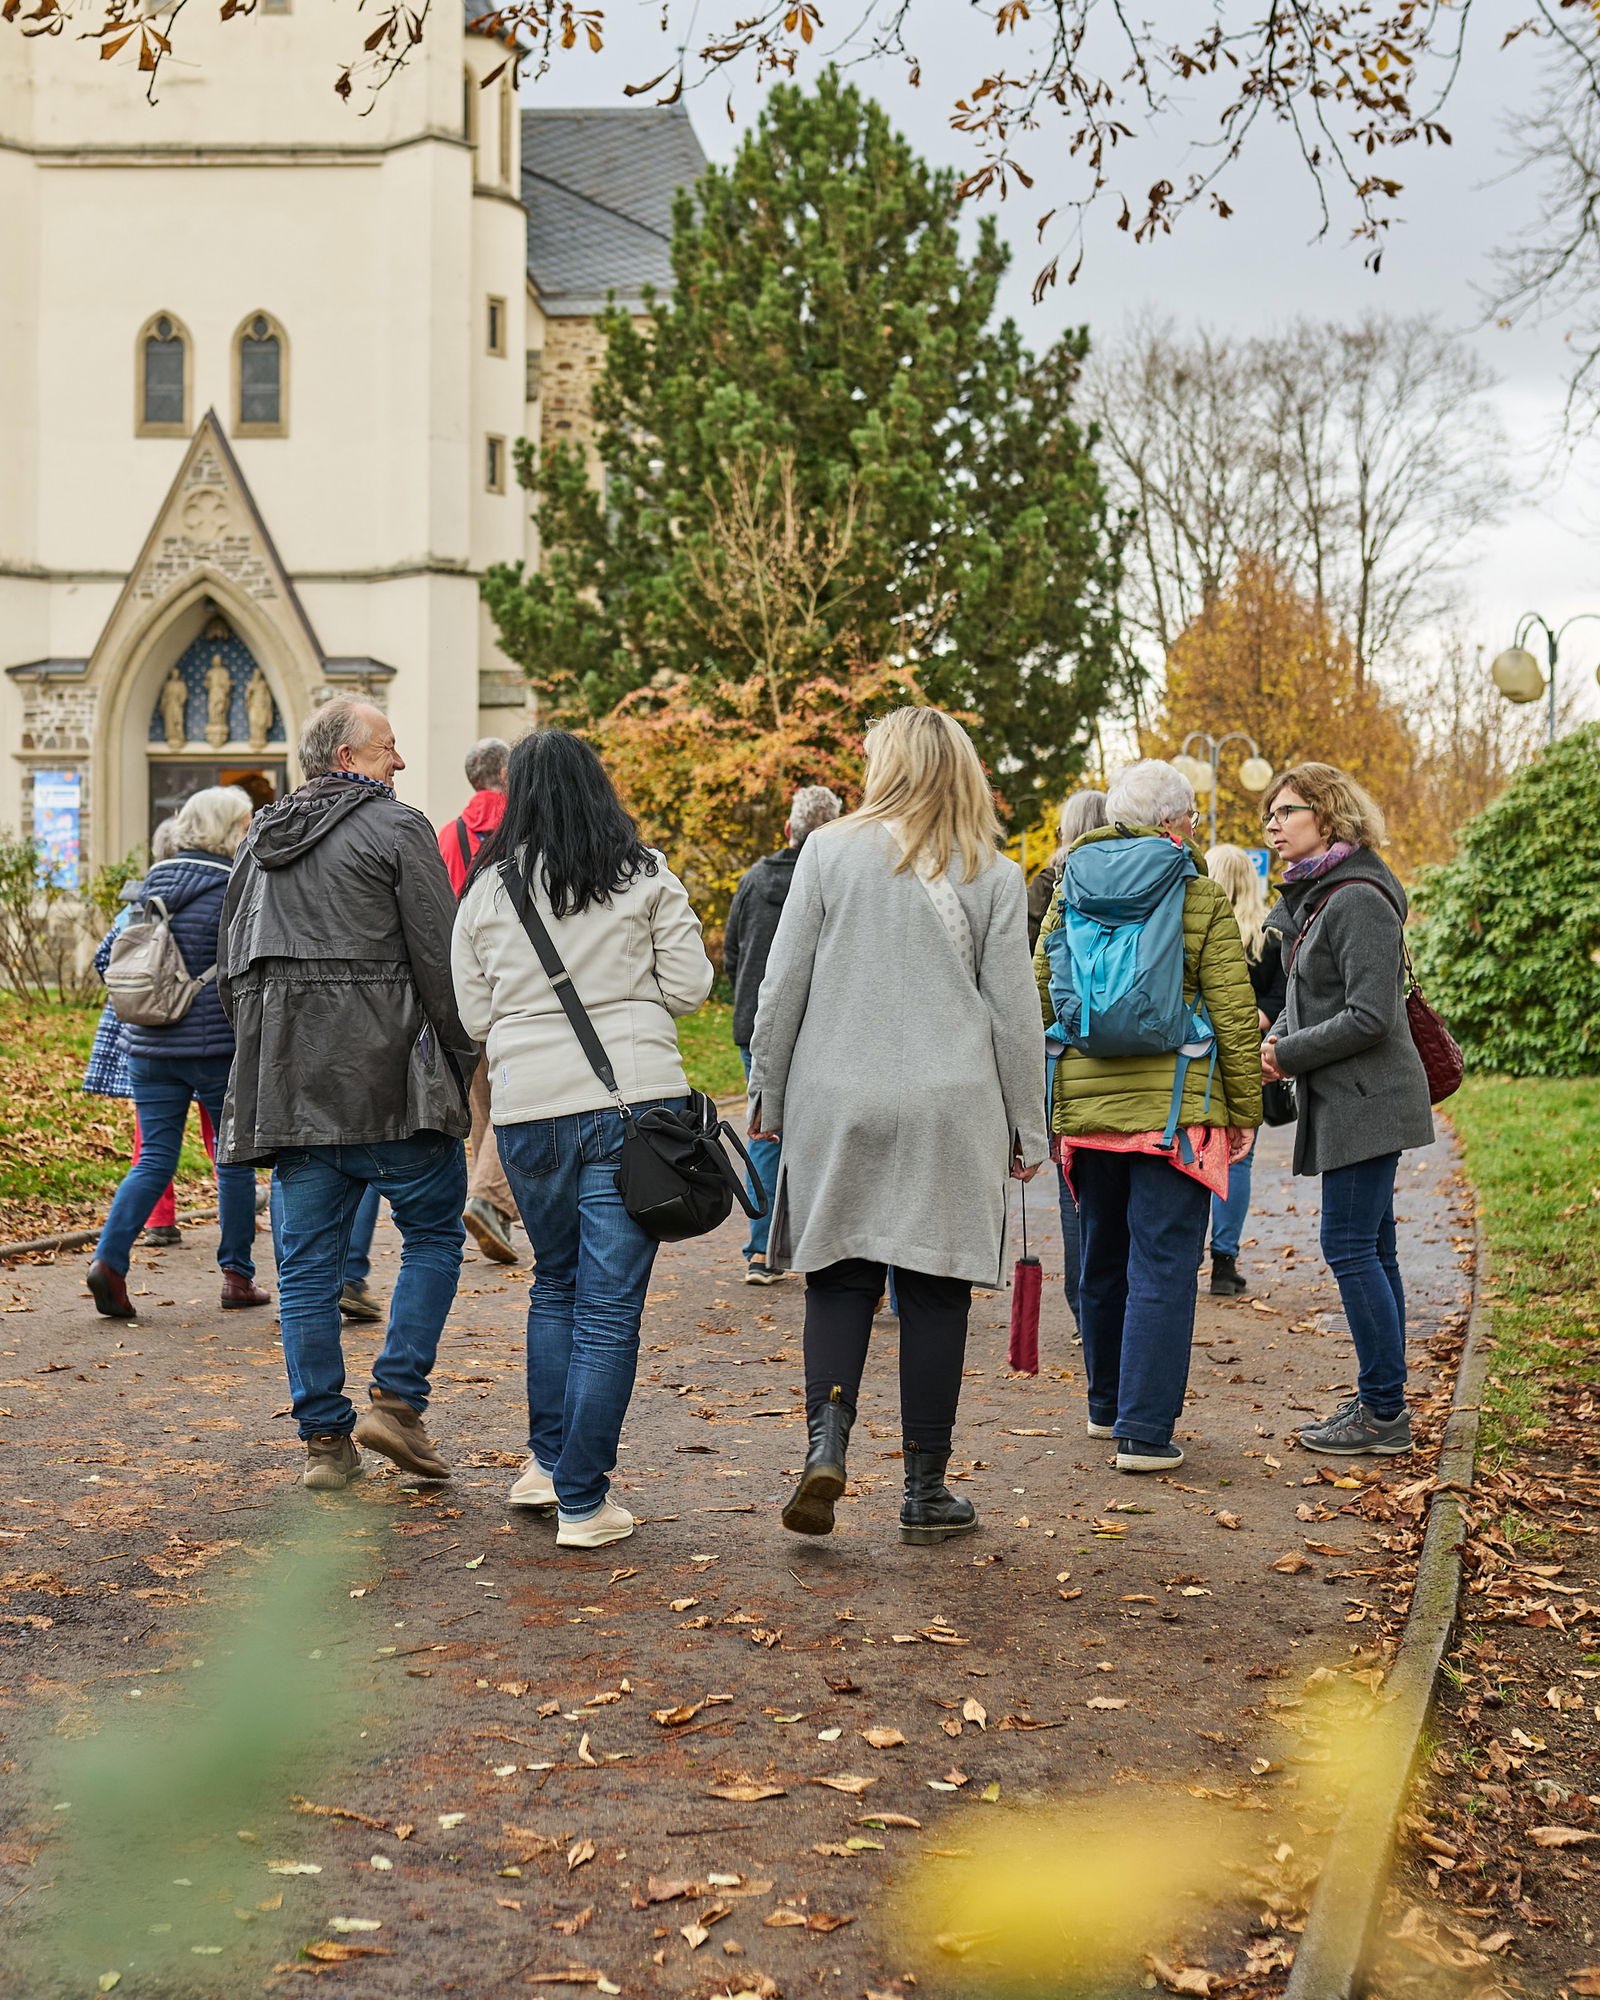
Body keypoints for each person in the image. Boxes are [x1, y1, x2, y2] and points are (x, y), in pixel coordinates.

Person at [748, 706, 1048, 1546]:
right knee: (934, 1292)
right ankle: (925, 1488)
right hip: (949, 1106)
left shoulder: (827, 851)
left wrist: (765, 1090)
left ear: (887, 768)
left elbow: (783, 987)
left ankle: (826, 1443)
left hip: (837, 1099)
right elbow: (1015, 1018)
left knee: (840, 1279)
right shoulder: (992, 872)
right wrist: (1030, 1126)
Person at [452, 729, 714, 1549]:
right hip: (628, 1108)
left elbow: (473, 1018)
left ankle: (546, 1464)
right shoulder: (643, 873)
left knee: (554, 1285)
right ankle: (583, 1500)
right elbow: (691, 986)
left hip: (528, 1114)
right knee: (607, 1309)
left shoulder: (488, 893)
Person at [219, 698, 476, 1493]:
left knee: (303, 1270)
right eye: (388, 748)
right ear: (345, 757)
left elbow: (234, 972)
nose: (399, 763)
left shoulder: (258, 841)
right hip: (393, 1086)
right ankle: (397, 1402)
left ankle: (325, 1445)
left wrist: (271, 1058)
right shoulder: (400, 830)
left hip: (295, 1092)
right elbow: (443, 963)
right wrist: (460, 1064)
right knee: (434, 1234)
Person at [1035, 759, 1262, 1474]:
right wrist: (1246, 1109)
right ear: (1173, 822)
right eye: (1190, 818)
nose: (1193, 829)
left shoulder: (1069, 886)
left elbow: (1040, 993)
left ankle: (1105, 1408)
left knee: (1101, 1258)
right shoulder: (1196, 892)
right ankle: (1144, 1431)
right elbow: (1231, 1009)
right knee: (1163, 1263)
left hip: (1088, 1109)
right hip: (1176, 1109)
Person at [1260, 763, 1433, 1457]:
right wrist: (1279, 1033)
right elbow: (1320, 997)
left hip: (1368, 1099)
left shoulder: (1356, 898)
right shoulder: (1323, 896)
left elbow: (1369, 1015)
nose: (1273, 826)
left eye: (1285, 813)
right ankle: (1379, 1396)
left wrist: (1288, 1054)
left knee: (1350, 1247)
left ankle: (1385, 1413)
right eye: (1269, 816)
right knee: (1372, 1247)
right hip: (1351, 1097)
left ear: (1327, 817)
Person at [86, 788, 267, 1320]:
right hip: (215, 1049)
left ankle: (109, 1261)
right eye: (244, 825)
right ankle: (237, 1276)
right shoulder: (234, 888)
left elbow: (106, 959)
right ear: (229, 831)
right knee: (231, 1160)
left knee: (153, 1158)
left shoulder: (146, 888)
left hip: (148, 1045)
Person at [722, 784, 843, 1285]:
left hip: (758, 1021)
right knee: (828, 1138)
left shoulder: (753, 880)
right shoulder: (838, 878)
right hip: (821, 1026)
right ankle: (827, 1248)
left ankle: (761, 1251)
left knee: (764, 1133)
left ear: (789, 829)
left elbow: (731, 951)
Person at [83, 818, 220, 1252]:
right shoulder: (221, 891)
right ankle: (236, 1228)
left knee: (153, 1138)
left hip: (144, 1026)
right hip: (208, 1032)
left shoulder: (141, 899)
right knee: (218, 1129)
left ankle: (158, 1221)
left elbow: (104, 957)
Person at [438, 736, 520, 1266]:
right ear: (506, 775)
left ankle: (490, 1208)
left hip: (462, 984)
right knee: (518, 1096)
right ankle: (489, 1201)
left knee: (482, 1100)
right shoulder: (526, 827)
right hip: (516, 978)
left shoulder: (449, 834)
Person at [1202, 844, 1288, 1298]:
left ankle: (1184, 1251)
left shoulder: (1195, 930)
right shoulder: (1268, 937)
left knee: (1193, 1149)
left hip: (1198, 1056)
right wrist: (1248, 1018)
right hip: (1248, 1059)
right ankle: (1224, 1260)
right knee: (1240, 1156)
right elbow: (1278, 1001)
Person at [1038, 789, 1109, 1329]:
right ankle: (1118, 1311)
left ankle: (1087, 1313)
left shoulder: (1053, 890)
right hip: (1142, 1064)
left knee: (1074, 1192)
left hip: (1067, 1055)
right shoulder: (1158, 883)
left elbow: (1035, 986)